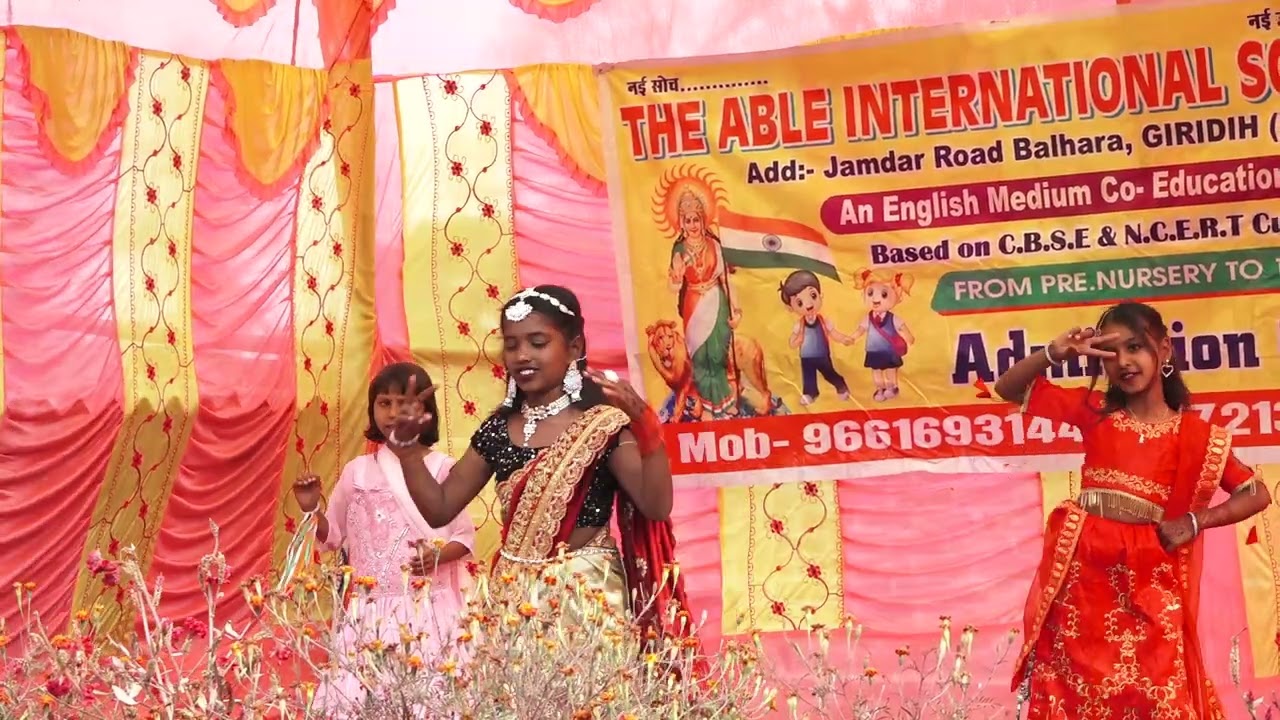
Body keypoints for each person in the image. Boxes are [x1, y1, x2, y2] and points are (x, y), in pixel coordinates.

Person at [994, 302, 1270, 719]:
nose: (1124, 362)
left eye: (1136, 347)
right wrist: (1055, 352)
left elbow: (1256, 493)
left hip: (1151, 588)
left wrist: (1197, 520)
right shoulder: (1097, 414)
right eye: (1112, 353)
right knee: (1077, 697)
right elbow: (1009, 389)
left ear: (1165, 350)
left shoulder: (1196, 436)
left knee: (1159, 694)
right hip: (1084, 590)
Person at [385, 284, 694, 639]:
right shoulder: (498, 429)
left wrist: (649, 433)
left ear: (574, 347)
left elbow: (655, 506)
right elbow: (439, 508)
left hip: (586, 596)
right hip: (513, 600)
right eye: (512, 344)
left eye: (538, 342)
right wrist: (408, 451)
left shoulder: (603, 423)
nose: (522, 355)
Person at [292, 362, 476, 715]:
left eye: (403, 405)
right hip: (370, 612)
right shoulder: (357, 471)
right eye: (384, 403)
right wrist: (312, 509)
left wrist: (439, 556)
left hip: (427, 611)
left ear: (424, 412)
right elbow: (332, 538)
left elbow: (464, 538)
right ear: (372, 409)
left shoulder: (441, 468)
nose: (393, 414)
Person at [667, 189, 742, 418]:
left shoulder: (714, 245)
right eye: (687, 220)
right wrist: (677, 278)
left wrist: (736, 310)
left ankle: (726, 404)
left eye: (696, 219)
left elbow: (726, 279)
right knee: (700, 357)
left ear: (703, 220)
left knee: (718, 355)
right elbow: (673, 287)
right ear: (681, 222)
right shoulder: (679, 250)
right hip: (693, 305)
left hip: (716, 300)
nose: (692, 225)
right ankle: (708, 408)